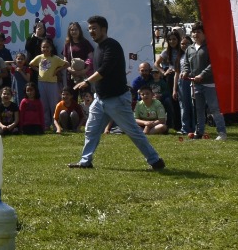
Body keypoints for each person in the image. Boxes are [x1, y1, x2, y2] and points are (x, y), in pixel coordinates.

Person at [67, 15, 166, 171]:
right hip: (100, 100)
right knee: (91, 130)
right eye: (89, 29)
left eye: (94, 28)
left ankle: (155, 161)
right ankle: (85, 162)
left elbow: (104, 70)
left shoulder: (112, 46)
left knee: (133, 131)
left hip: (116, 100)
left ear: (104, 29)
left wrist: (86, 81)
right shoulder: (99, 48)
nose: (91, 31)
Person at [183, 22, 227, 141]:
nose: (195, 34)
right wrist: (185, 72)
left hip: (209, 83)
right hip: (195, 84)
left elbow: (213, 64)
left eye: (198, 32)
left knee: (214, 108)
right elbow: (186, 63)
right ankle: (199, 132)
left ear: (204, 34)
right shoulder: (190, 49)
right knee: (199, 109)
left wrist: (202, 75)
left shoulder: (210, 47)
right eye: (194, 32)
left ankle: (222, 132)